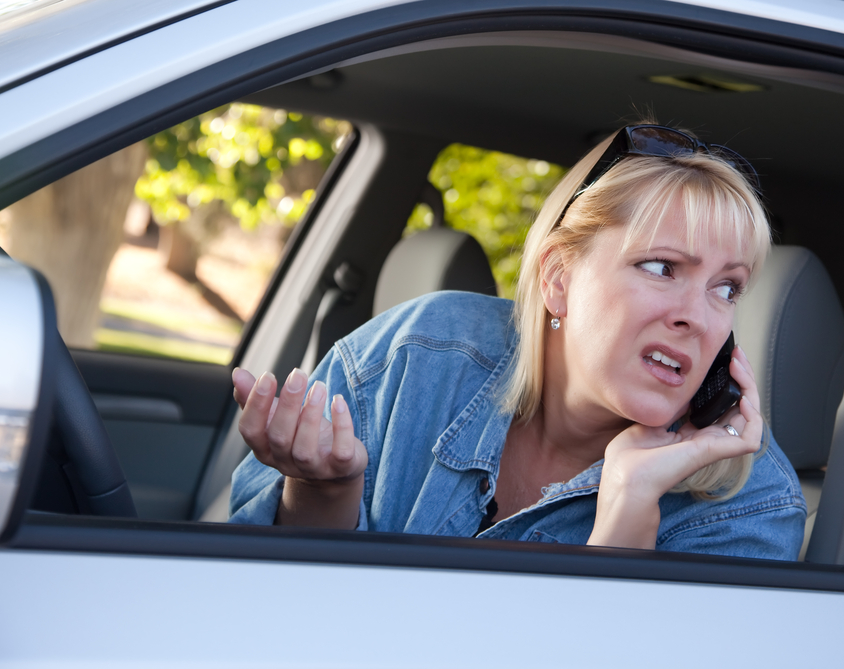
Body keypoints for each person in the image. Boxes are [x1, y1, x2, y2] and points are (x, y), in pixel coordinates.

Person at [228, 124, 807, 559]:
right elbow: (259, 604)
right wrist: (322, 491)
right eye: (661, 268)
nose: (699, 318)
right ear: (559, 277)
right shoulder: (414, 356)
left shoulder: (751, 507)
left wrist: (628, 513)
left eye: (727, 288)